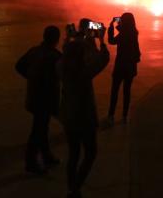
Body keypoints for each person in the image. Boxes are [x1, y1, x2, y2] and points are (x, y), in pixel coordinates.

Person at [58, 19, 110, 198]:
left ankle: (71, 187)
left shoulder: (62, 67)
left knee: (73, 154)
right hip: (84, 117)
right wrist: (100, 40)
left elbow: (67, 54)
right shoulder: (84, 72)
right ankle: (75, 188)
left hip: (68, 116)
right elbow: (102, 59)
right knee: (91, 152)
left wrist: (68, 39)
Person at [16, 25, 63, 174]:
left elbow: (19, 66)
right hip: (46, 99)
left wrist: (31, 78)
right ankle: (31, 163)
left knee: (42, 128)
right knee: (38, 130)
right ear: (56, 39)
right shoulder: (56, 56)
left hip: (34, 97)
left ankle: (46, 155)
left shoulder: (34, 51)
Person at [107, 13, 140, 125]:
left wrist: (111, 26)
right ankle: (125, 116)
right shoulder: (134, 33)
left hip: (120, 66)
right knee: (127, 92)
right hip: (130, 67)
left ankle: (111, 115)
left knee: (114, 91)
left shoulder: (123, 34)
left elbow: (111, 41)